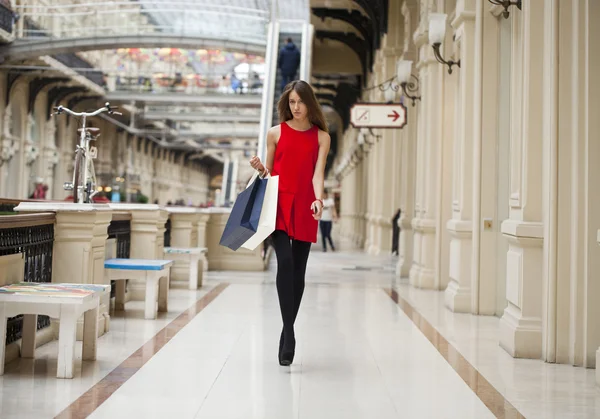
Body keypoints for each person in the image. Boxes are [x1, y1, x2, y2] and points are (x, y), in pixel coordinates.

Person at [249, 80, 330, 366]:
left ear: (310, 103)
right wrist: (261, 168)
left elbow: (317, 173)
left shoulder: (321, 137)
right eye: (292, 102)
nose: (296, 107)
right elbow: (270, 172)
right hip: (279, 204)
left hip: (306, 204)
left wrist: (319, 200)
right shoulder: (275, 133)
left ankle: (286, 329)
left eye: (301, 102)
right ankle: (291, 334)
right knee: (284, 261)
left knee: (298, 270)